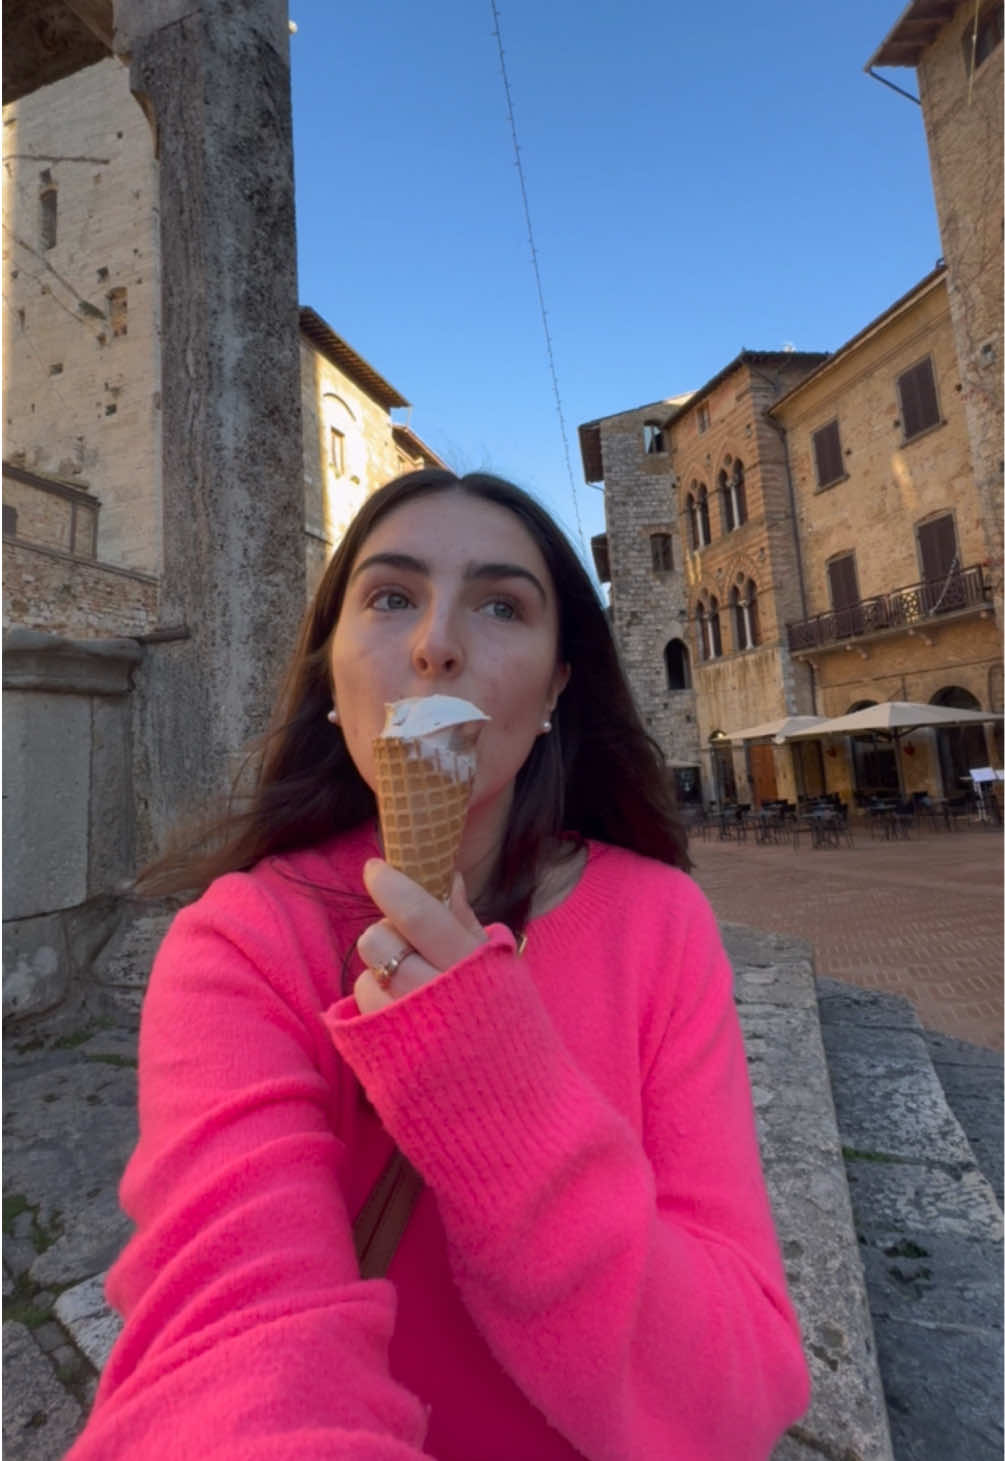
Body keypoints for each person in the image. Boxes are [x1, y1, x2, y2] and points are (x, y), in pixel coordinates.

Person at [68, 469, 809, 1460]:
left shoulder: (659, 923)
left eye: (501, 605)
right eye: (390, 597)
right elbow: (237, 1348)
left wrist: (494, 1095)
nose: (436, 644)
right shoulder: (242, 941)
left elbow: (735, 1398)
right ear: (331, 674)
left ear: (555, 687)